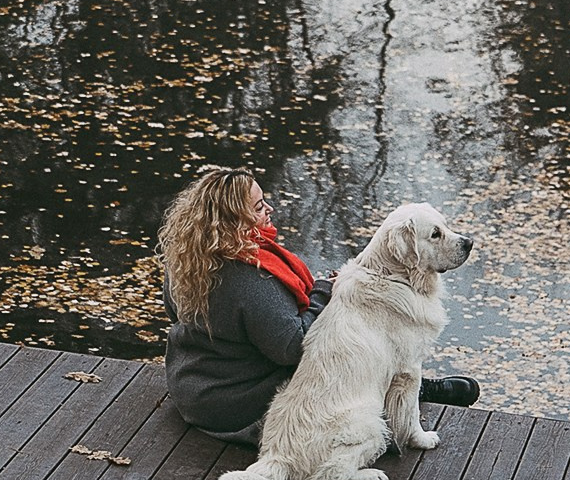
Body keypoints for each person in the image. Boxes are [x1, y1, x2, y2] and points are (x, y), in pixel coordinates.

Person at [158, 164, 479, 447]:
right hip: (237, 406)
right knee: (345, 361)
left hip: (191, 383)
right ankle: (407, 392)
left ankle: (410, 386)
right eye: (258, 207)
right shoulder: (249, 281)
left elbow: (177, 315)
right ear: (234, 221)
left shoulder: (189, 259)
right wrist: (329, 289)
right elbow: (294, 347)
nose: (268, 208)